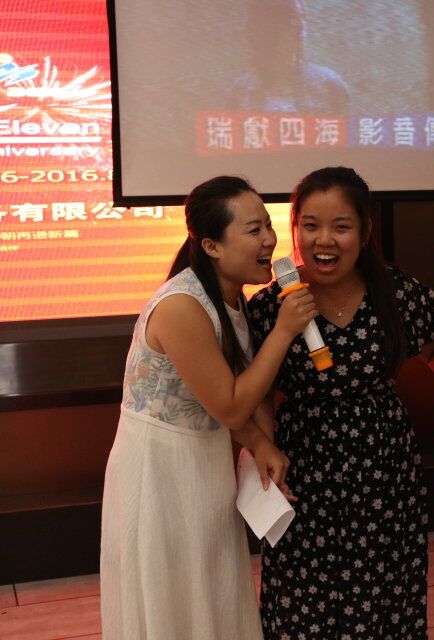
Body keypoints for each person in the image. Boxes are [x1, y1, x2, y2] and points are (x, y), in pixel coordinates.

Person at [248, 166, 434, 640]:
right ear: (295, 229)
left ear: (364, 232)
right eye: (310, 225)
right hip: (305, 465)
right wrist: (264, 446)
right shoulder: (270, 304)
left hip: (384, 466)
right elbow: (258, 393)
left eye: (341, 226)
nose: (324, 240)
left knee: (384, 594)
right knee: (306, 600)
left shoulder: (395, 291)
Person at [99, 176, 316, 640]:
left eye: (268, 226)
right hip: (160, 471)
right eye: (254, 230)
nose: (269, 240)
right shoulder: (182, 305)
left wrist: (259, 444)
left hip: (205, 462)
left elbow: (221, 405)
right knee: (173, 600)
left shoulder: (231, 296)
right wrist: (284, 331)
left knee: (211, 593)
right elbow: (231, 406)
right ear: (212, 246)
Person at [231, 0, 350, 114]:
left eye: (296, 24)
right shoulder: (241, 90)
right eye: (276, 27)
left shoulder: (329, 85)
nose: (297, 31)